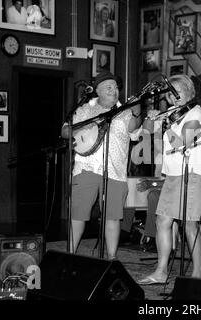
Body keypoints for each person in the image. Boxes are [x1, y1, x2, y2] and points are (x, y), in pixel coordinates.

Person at [61, 71, 141, 259]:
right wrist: (83, 128)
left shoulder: (124, 111)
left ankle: (111, 258)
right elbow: (65, 131)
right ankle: (70, 255)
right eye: (108, 87)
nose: (114, 91)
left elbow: (134, 127)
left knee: (112, 216)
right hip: (85, 167)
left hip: (114, 170)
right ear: (97, 90)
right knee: (78, 215)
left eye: (115, 87)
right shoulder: (84, 110)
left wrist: (137, 111)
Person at [138, 74, 201, 284]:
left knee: (190, 225)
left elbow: (181, 143)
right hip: (173, 174)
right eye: (171, 93)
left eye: (178, 92)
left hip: (192, 173)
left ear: (189, 92)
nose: (174, 97)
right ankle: (161, 271)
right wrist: (151, 119)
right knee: (162, 220)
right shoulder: (172, 114)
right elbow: (151, 137)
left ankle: (197, 274)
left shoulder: (197, 114)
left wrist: (167, 124)